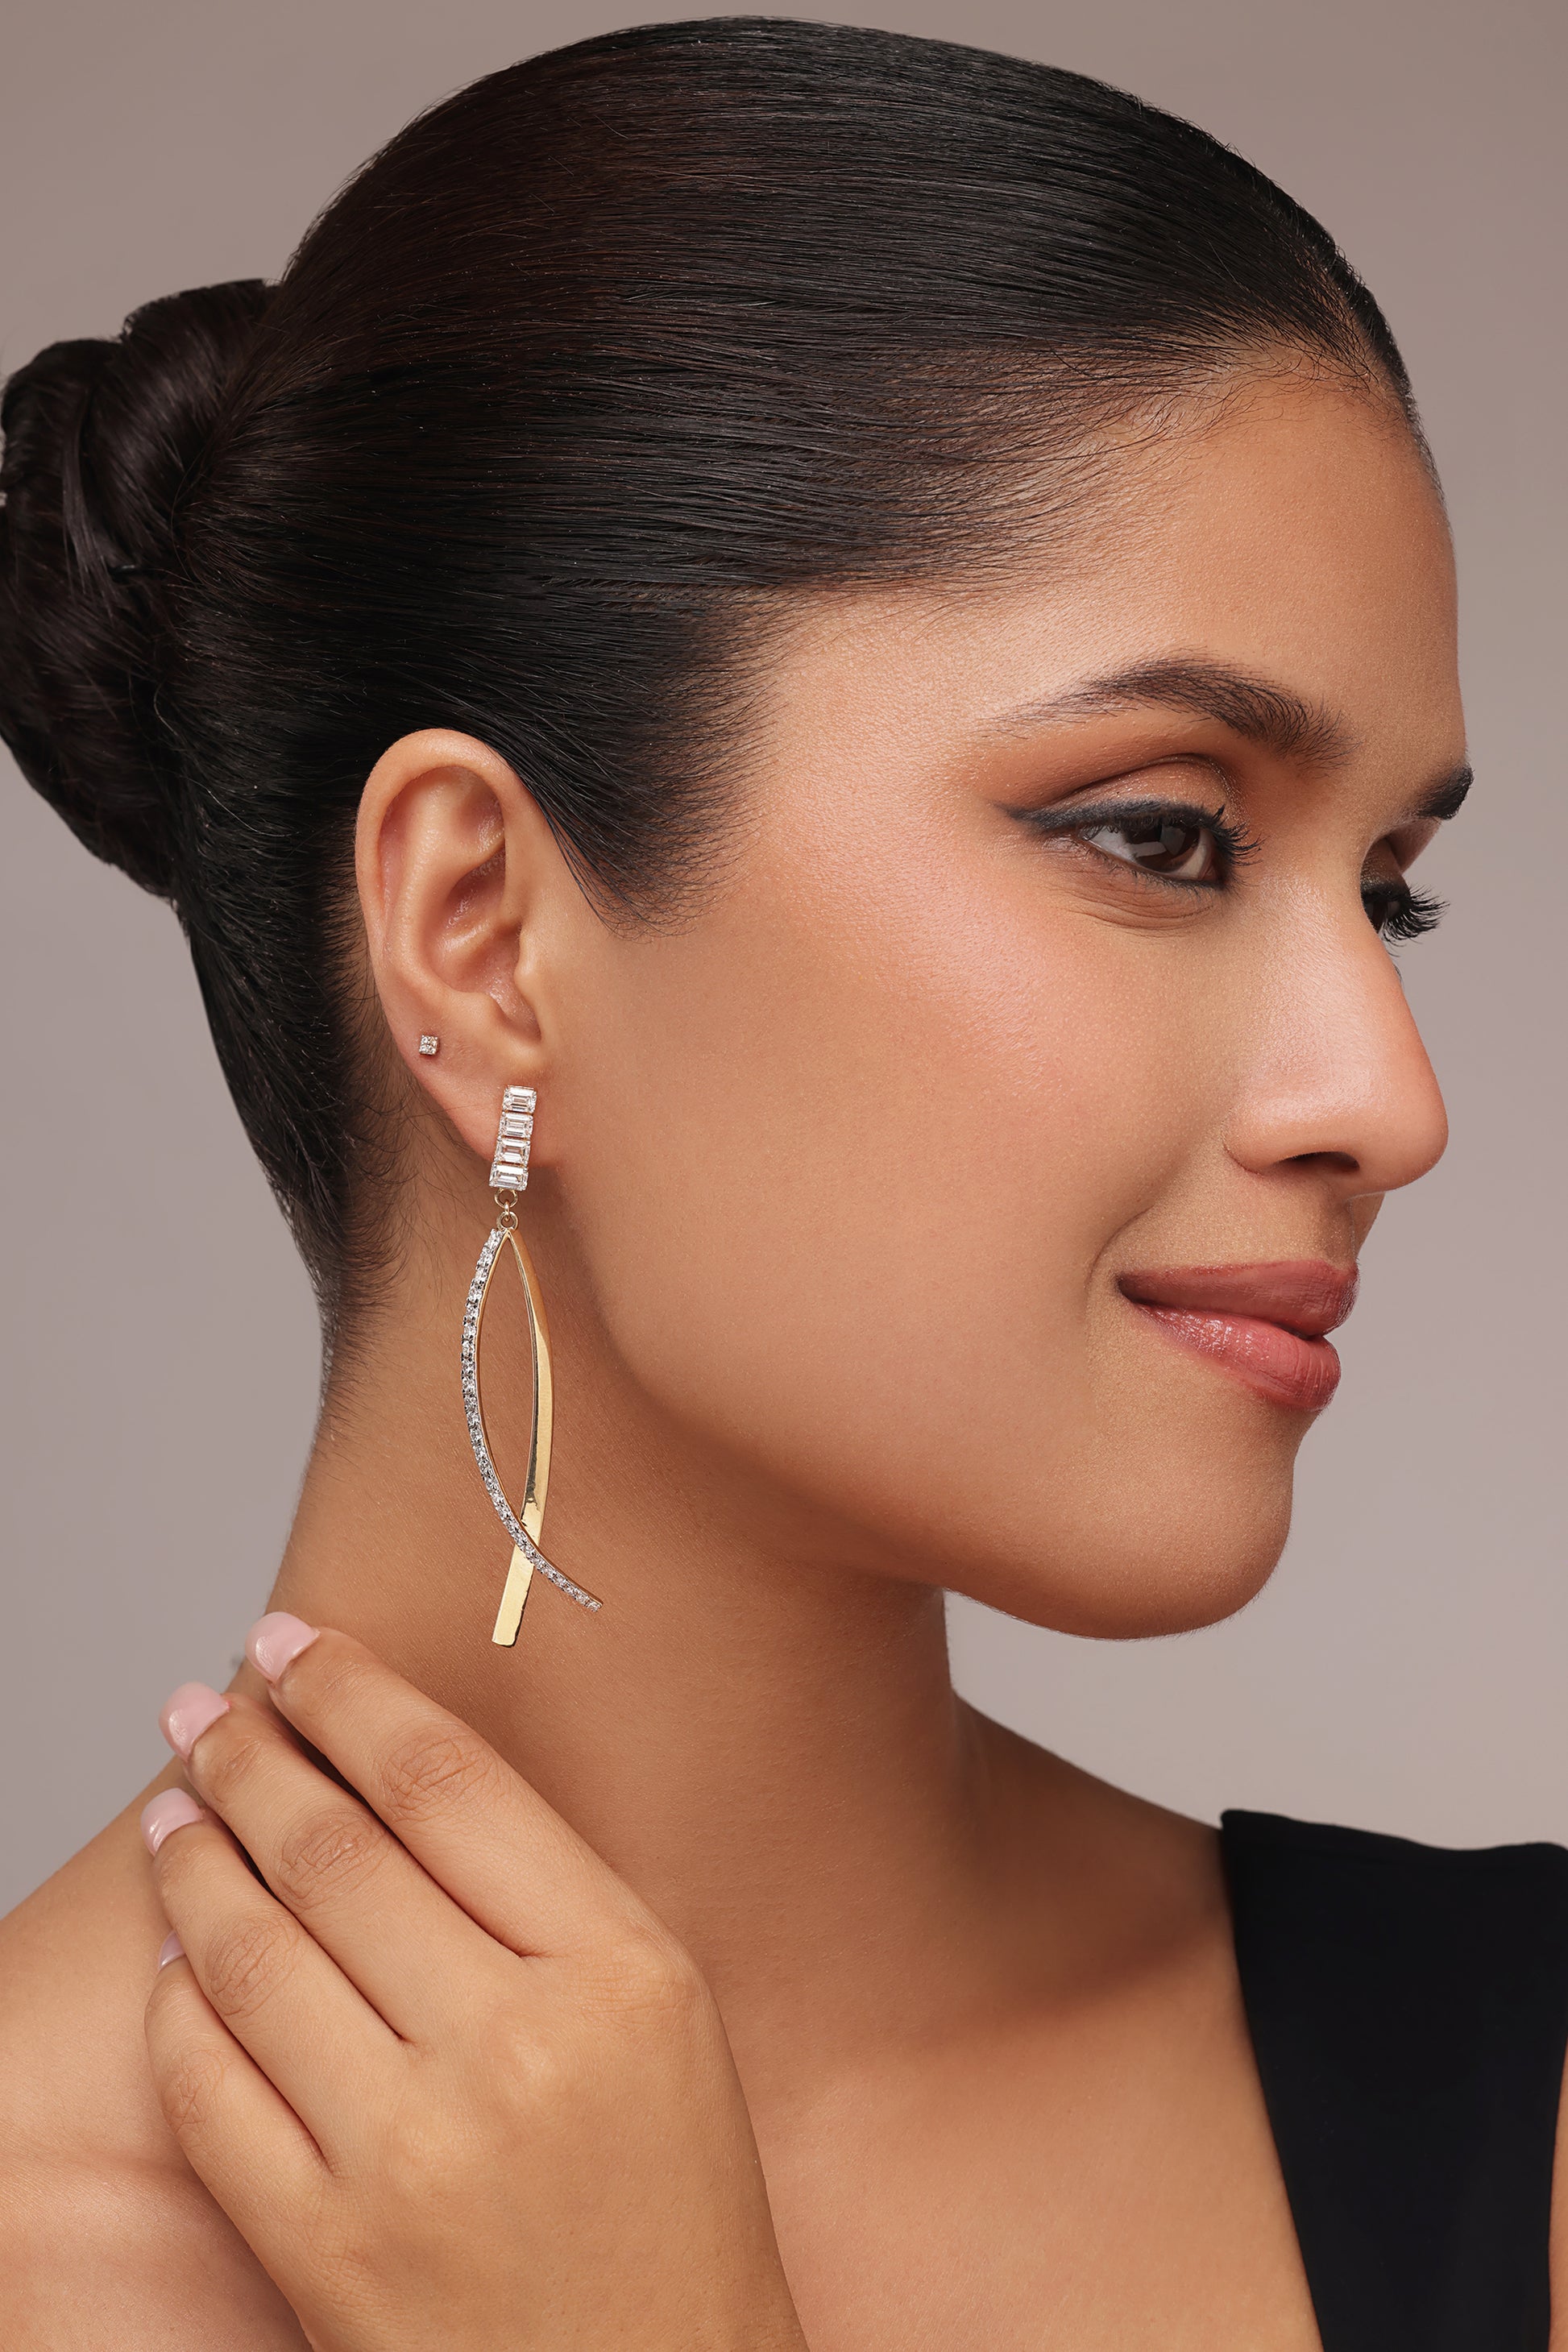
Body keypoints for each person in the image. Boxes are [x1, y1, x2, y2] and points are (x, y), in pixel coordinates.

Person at [0, 18, 1562, 2349]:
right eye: (1160, 837)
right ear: (479, 927)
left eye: (1389, 890)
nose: (1388, 1100)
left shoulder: (1520, 2112)